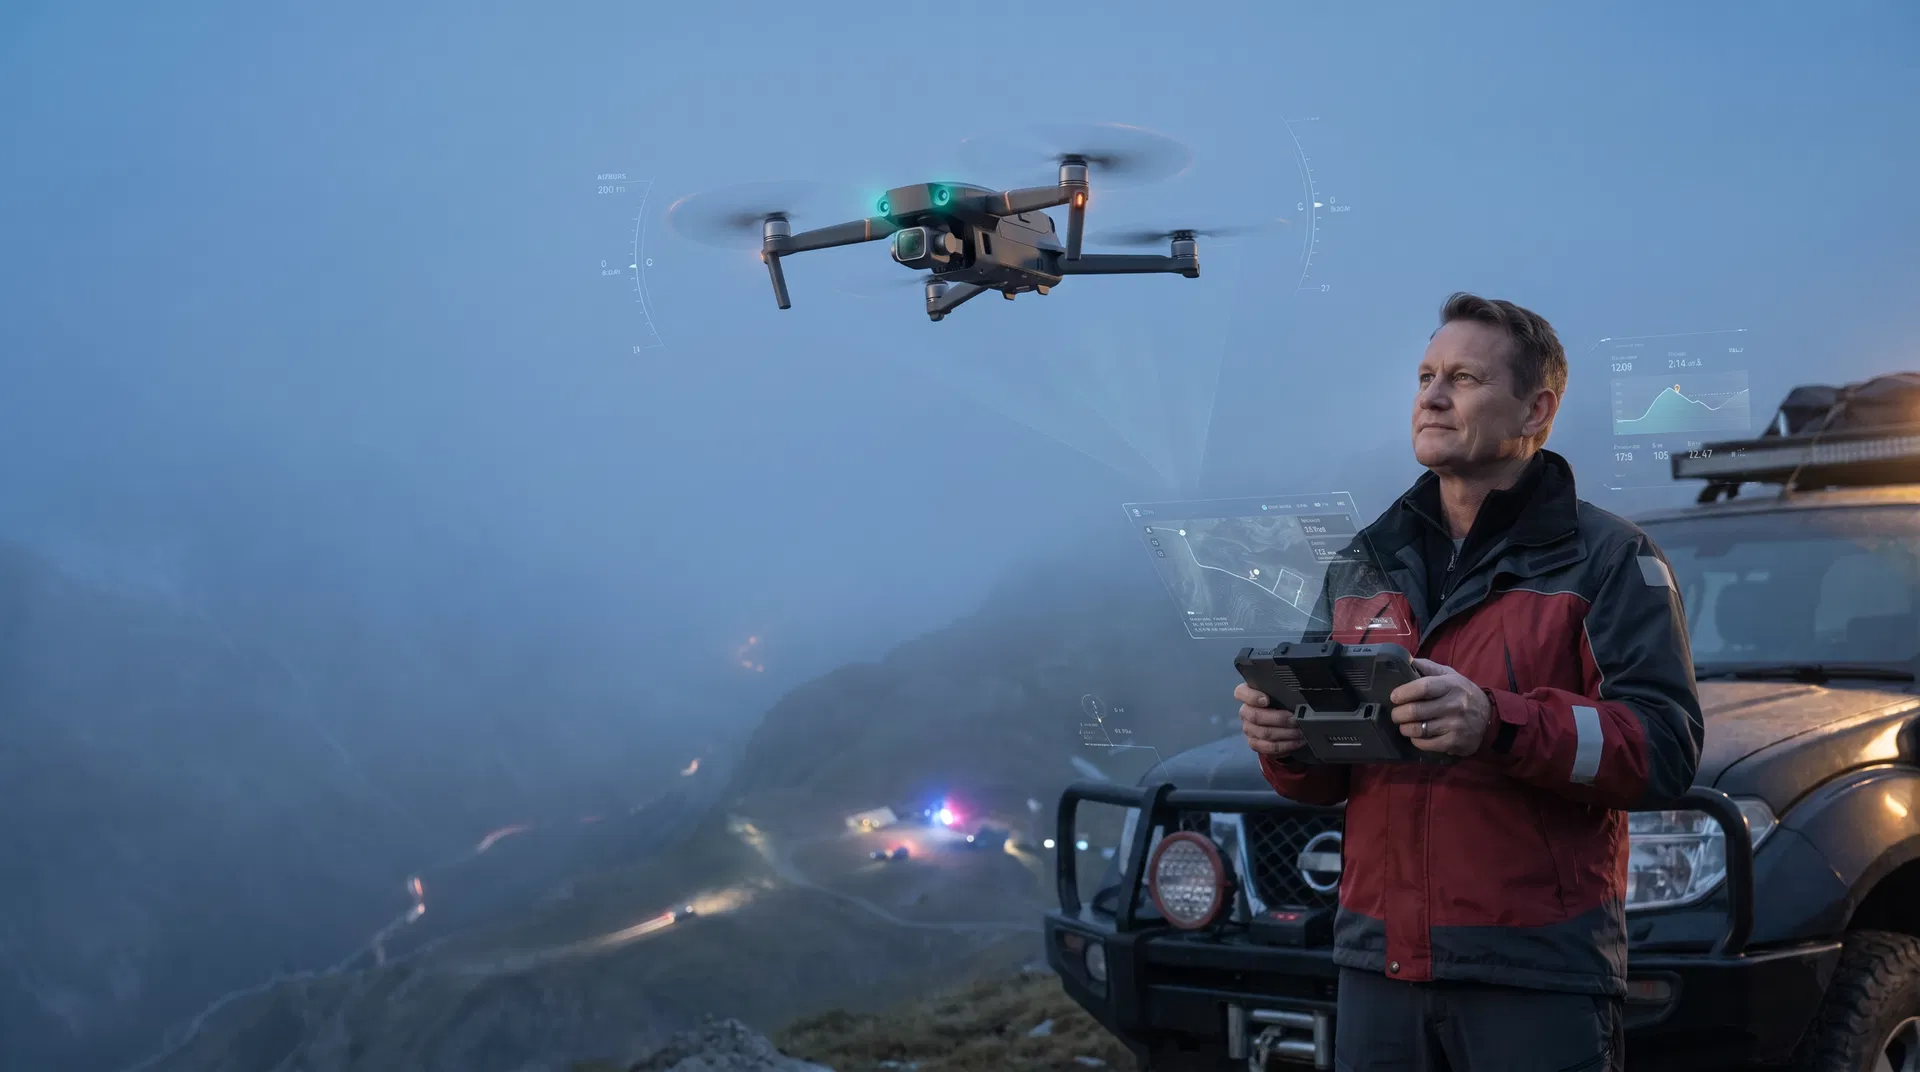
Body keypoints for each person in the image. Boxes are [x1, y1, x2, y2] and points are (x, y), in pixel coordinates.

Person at [1235, 292, 1704, 1071]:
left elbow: (1664, 750)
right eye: (1425, 377)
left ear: (1536, 410)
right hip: (1377, 963)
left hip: (1535, 973)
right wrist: (1288, 743)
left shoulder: (1611, 560)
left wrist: (1499, 722)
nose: (1433, 396)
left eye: (1465, 378)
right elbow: (1324, 782)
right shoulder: (1365, 560)